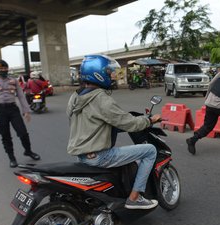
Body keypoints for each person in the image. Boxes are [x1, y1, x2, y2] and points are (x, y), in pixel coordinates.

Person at [67, 55, 162, 210]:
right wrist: (150, 120)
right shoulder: (101, 99)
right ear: (98, 74)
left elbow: (91, 121)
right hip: (100, 156)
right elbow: (128, 122)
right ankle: (134, 198)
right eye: (109, 72)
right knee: (150, 151)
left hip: (82, 155)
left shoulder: (75, 97)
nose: (112, 76)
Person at [0, 60, 41, 168]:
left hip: (13, 109)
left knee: (23, 133)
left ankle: (28, 151)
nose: (3, 70)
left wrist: (26, 111)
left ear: (8, 68)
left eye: (5, 68)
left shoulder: (14, 80)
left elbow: (21, 96)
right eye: (0, 69)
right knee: (5, 136)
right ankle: (12, 158)